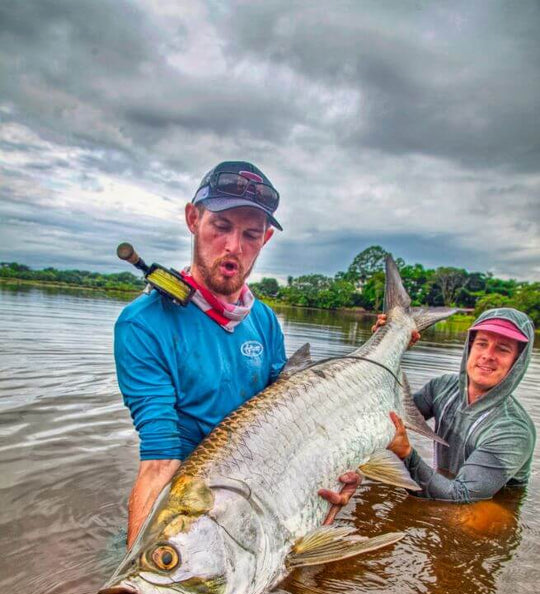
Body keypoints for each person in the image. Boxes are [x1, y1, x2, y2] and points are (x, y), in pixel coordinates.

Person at [115, 160, 353, 547]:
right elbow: (160, 458)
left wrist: (336, 468)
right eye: (221, 227)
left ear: (266, 241)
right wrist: (138, 569)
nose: (233, 247)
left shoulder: (263, 320)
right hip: (191, 510)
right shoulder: (143, 324)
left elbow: (293, 419)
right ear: (193, 219)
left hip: (260, 494)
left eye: (250, 235)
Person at [385, 308, 536, 502]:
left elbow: (461, 495)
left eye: (502, 349)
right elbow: (389, 417)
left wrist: (406, 453)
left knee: (469, 521)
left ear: (517, 362)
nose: (488, 355)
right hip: (446, 483)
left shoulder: (514, 431)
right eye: (482, 344)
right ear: (470, 348)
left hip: (485, 504)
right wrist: (389, 345)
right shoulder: (442, 387)